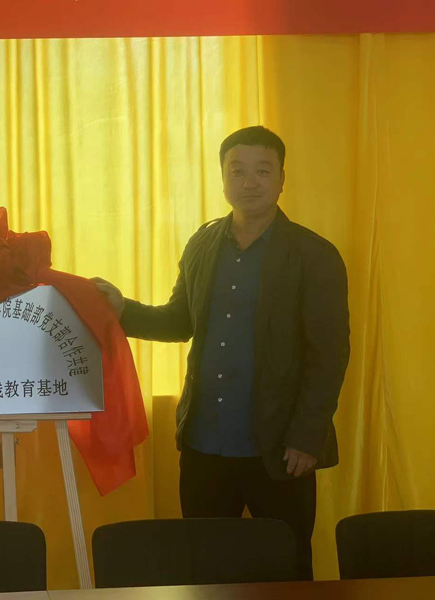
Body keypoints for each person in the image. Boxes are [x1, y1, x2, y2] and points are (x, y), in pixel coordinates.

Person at [94, 126, 350, 579]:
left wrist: (307, 436)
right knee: (205, 567)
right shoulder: (202, 243)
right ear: (223, 178)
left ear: (282, 179)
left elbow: (328, 355)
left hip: (281, 448)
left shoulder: (314, 254)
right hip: (204, 444)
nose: (249, 182)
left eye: (262, 171)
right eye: (238, 171)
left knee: (287, 568)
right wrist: (122, 309)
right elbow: (179, 321)